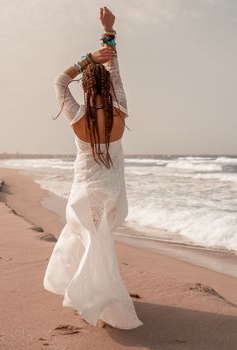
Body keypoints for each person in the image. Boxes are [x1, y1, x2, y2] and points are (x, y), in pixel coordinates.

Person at [42, 6, 143, 330]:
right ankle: (95, 297)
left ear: (84, 87)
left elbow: (59, 80)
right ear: (109, 87)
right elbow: (114, 68)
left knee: (88, 242)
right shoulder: (120, 110)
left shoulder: (76, 115)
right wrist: (109, 33)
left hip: (85, 192)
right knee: (99, 245)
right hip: (111, 192)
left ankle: (89, 298)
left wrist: (88, 58)